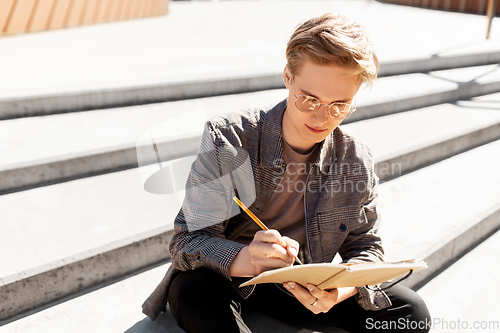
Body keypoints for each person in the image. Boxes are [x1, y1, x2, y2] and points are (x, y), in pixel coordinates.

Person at [142, 13, 431, 333]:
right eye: (309, 99)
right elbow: (187, 241)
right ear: (287, 77)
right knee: (194, 292)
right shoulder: (231, 137)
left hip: (301, 286)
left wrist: (341, 290)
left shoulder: (355, 159)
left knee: (411, 312)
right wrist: (249, 259)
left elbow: (367, 247)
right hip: (229, 279)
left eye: (339, 105)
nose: (322, 117)